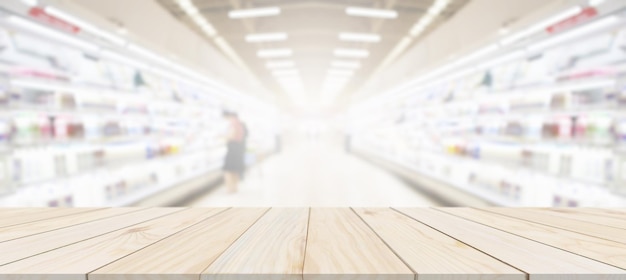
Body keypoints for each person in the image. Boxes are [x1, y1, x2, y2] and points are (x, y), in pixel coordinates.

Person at [222, 110, 247, 193]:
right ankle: (235, 188)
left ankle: (229, 189)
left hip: (233, 148)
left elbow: (231, 135)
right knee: (235, 169)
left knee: (227, 170)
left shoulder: (233, 124)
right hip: (239, 149)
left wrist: (224, 137)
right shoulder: (240, 123)